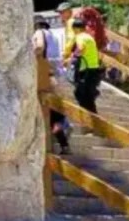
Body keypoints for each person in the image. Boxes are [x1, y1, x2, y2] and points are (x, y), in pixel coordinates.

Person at [33, 15, 70, 153]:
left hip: (44, 73)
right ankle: (63, 143)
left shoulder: (38, 33)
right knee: (55, 113)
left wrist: (31, 55)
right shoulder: (53, 36)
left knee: (46, 111)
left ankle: (48, 146)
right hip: (56, 75)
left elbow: (40, 47)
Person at [66, 11, 104, 115]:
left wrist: (72, 57)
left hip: (86, 70)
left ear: (76, 29)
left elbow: (81, 48)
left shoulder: (80, 37)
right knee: (86, 95)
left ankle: (91, 117)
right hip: (94, 68)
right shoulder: (89, 37)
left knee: (82, 94)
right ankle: (92, 116)